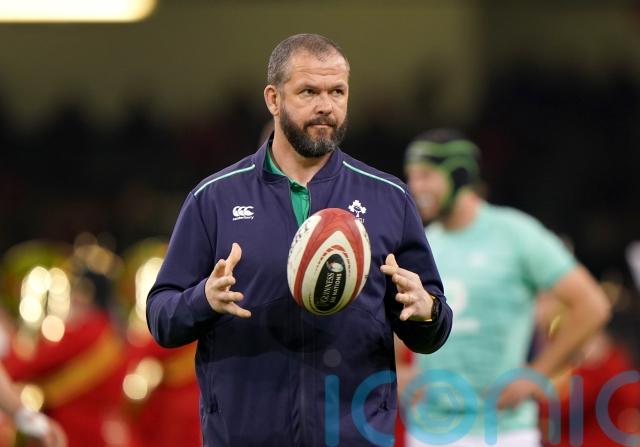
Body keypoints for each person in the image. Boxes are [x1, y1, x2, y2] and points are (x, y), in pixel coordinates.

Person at [146, 33, 453, 446]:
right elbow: (160, 317)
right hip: (244, 437)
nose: (326, 105)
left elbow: (433, 330)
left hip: (356, 437)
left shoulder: (389, 199)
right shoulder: (214, 199)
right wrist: (204, 299)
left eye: (337, 92)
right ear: (273, 99)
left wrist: (426, 310)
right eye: (309, 91)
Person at [399, 129, 611, 447]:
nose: (415, 187)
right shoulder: (420, 243)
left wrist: (538, 374)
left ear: (457, 175)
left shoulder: (516, 233)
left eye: (426, 175)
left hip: (505, 431)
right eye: (412, 177)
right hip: (430, 430)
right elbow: (396, 316)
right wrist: (397, 371)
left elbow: (593, 305)